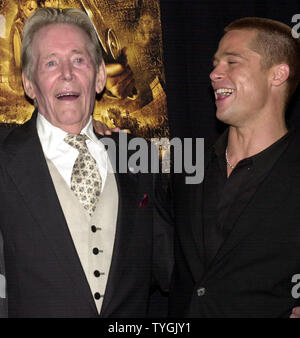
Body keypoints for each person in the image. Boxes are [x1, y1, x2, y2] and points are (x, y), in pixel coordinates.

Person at [0, 7, 172, 318]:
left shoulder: (139, 156)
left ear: (99, 77)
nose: (67, 73)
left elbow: (172, 264)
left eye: (79, 60)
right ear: (29, 83)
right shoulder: (4, 157)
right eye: (51, 62)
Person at [165, 17, 300, 317]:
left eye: (232, 62)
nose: (214, 73)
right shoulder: (188, 163)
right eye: (215, 63)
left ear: (277, 74)